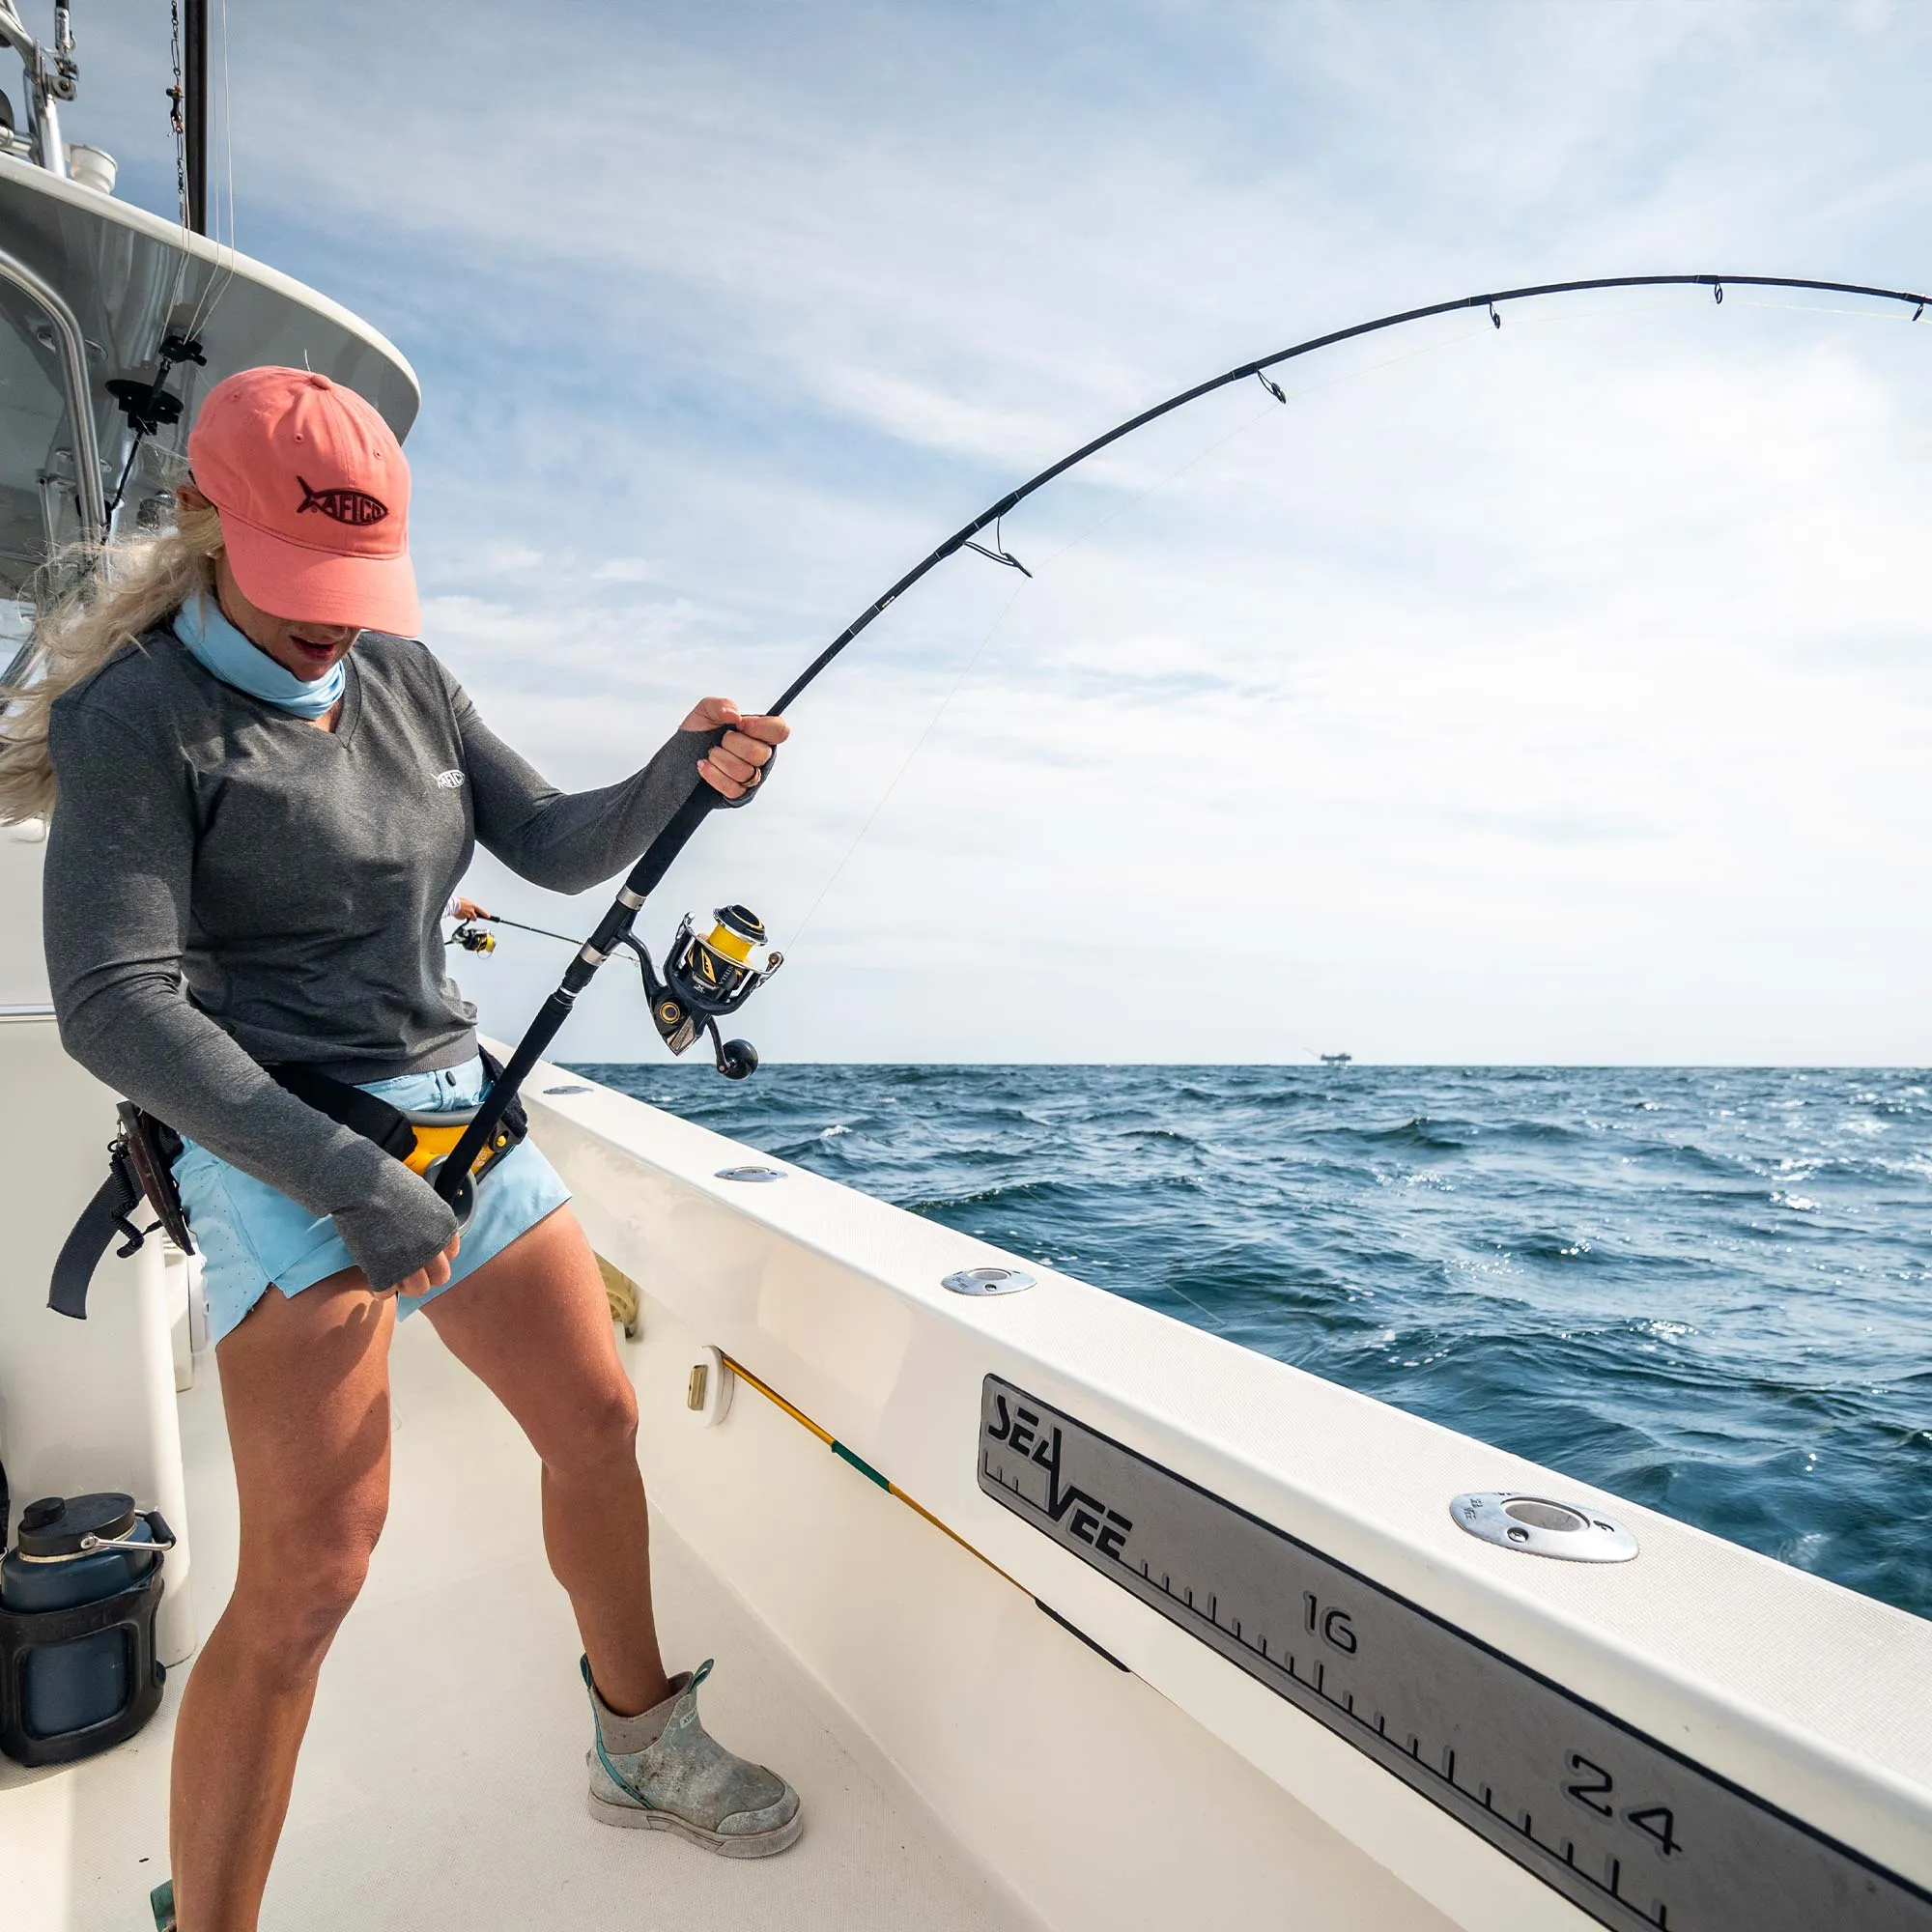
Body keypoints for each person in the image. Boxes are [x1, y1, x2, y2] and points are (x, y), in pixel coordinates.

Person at [0, 367, 799, 1930]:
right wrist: (346, 1182)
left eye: (355, 585)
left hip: (457, 1112)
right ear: (204, 524)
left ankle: (636, 1743)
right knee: (315, 1574)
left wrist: (671, 771)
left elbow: (556, 842)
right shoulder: (137, 715)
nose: (332, 623)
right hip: (274, 1136)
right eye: (303, 583)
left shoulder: (410, 678)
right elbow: (110, 1006)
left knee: (597, 1422)